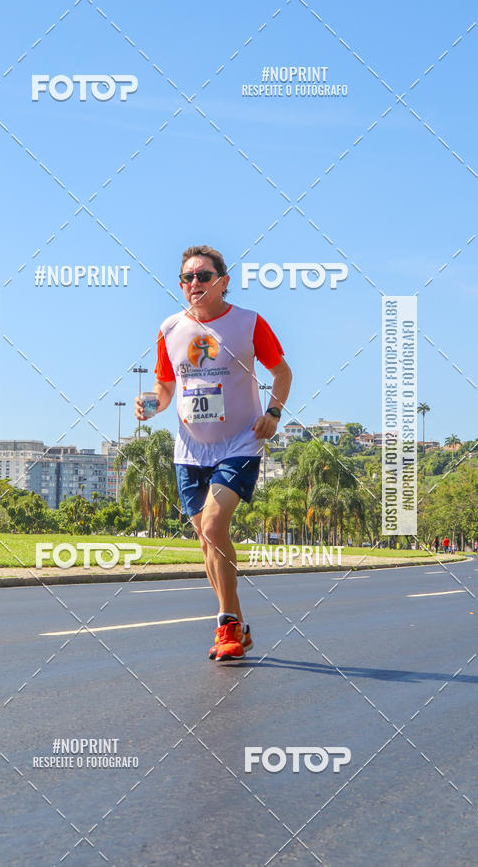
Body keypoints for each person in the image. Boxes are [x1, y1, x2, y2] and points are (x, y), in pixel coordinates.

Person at [135, 245, 292, 662]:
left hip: (240, 441)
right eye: (187, 278)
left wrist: (273, 413)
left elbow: (281, 371)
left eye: (203, 276)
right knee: (207, 540)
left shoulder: (248, 323)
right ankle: (237, 628)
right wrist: (150, 404)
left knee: (214, 523)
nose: (194, 284)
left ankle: (224, 629)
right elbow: (167, 389)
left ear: (223, 281)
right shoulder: (170, 329)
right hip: (190, 449)